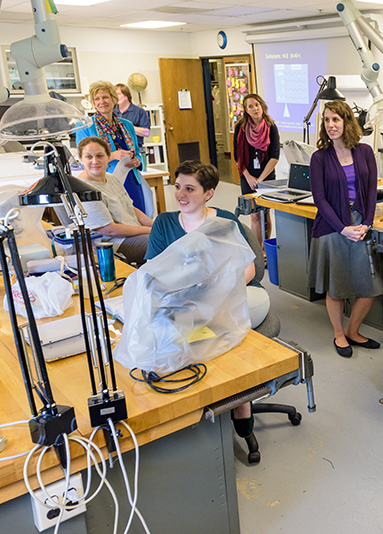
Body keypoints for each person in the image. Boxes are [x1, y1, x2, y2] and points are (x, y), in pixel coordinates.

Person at [145, 160, 270, 464]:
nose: (181, 194)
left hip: (236, 297)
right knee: (174, 330)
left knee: (210, 328)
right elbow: (151, 271)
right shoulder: (164, 224)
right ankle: (201, 409)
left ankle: (241, 412)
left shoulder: (224, 221)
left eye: (190, 188)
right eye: (177, 186)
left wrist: (213, 296)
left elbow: (249, 268)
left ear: (209, 193)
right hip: (187, 305)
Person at [308, 100, 383, 358]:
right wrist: (342, 228)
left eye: (335, 120)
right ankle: (339, 334)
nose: (330, 125)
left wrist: (368, 223)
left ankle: (353, 330)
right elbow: (319, 199)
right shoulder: (319, 158)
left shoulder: (364, 151)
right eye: (327, 120)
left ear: (347, 121)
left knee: (370, 285)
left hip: (361, 222)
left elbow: (372, 190)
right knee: (337, 286)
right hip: (332, 226)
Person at [68, 136, 153, 266]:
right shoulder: (83, 189)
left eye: (100, 156)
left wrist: (155, 224)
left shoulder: (111, 178)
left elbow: (130, 207)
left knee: (174, 232)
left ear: (108, 157)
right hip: (114, 243)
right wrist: (150, 230)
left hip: (133, 233)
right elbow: (110, 230)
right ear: (80, 160)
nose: (95, 161)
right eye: (89, 157)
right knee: (163, 242)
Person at [76, 81, 146, 213]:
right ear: (93, 103)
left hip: (131, 181)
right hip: (106, 182)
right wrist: (112, 156)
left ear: (114, 99)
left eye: (105, 97)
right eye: (97, 98)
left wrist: (137, 160)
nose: (102, 101)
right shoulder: (84, 126)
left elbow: (136, 152)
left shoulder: (127, 125)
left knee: (139, 219)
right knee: (119, 221)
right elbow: (84, 162)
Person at [233, 93, 280, 248]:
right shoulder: (240, 128)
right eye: (250, 106)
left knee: (265, 214)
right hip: (247, 177)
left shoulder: (271, 126)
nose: (255, 108)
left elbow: (274, 156)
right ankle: (257, 250)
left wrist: (260, 180)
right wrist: (249, 177)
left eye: (257, 105)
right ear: (246, 110)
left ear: (262, 106)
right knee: (254, 215)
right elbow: (237, 156)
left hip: (267, 177)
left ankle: (266, 249)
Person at [114, 82, 151, 154]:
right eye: (114, 95)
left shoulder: (139, 111)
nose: (116, 97)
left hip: (135, 149)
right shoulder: (112, 112)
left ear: (126, 95)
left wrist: (127, 127)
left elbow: (147, 133)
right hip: (117, 151)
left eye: (118, 94)